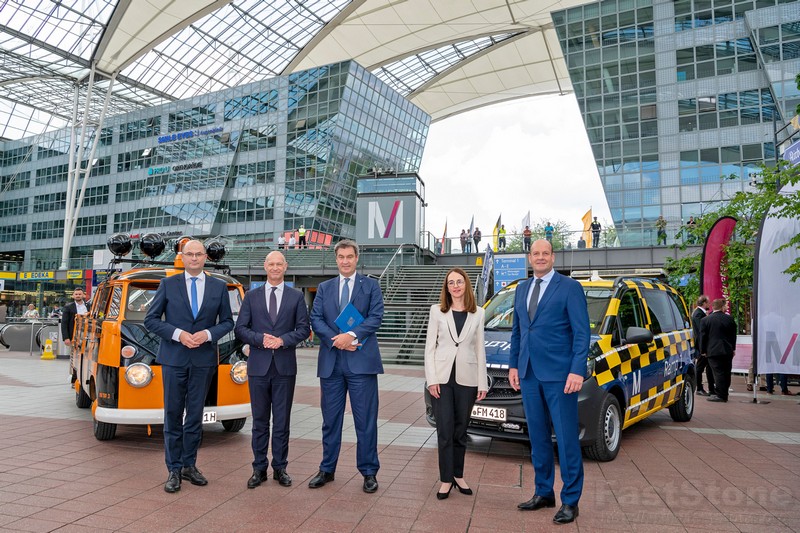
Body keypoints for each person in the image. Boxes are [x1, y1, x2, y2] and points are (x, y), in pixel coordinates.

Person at [508, 239, 589, 525]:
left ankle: (570, 500)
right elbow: (518, 332)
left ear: (553, 257)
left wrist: (577, 370)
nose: (540, 258)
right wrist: (514, 366)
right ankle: (544, 492)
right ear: (529, 258)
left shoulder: (569, 288)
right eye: (535, 254)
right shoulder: (521, 289)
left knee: (566, 439)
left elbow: (582, 334)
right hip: (529, 375)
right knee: (537, 438)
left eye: (545, 253)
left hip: (560, 377)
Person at [144, 239, 234, 493]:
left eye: (198, 254)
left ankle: (189, 465)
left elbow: (227, 322)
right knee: (172, 415)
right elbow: (151, 320)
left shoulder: (219, 287)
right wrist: (178, 334)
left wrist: (207, 334)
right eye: (189, 254)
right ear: (182, 258)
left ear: (206, 257)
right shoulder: (168, 284)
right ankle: (173, 469)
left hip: (203, 360)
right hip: (174, 359)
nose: (194, 258)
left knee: (195, 416)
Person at [309, 239, 384, 494]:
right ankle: (327, 469)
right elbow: (315, 318)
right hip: (331, 364)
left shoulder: (371, 286)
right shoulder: (324, 287)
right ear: (336, 258)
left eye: (349, 256)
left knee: (365, 421)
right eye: (340, 256)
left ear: (356, 258)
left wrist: (351, 336)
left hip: (361, 364)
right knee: (330, 421)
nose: (345, 261)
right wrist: (337, 341)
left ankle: (369, 472)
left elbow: (376, 317)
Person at [235, 251, 310, 489]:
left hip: (285, 368)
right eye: (271, 264)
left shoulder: (296, 296)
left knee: (282, 422)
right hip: (258, 366)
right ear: (265, 266)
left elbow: (303, 329)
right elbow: (241, 329)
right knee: (259, 422)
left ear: (285, 267)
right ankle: (259, 468)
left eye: (279, 264)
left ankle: (280, 468)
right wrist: (260, 339)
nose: (275, 268)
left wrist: (282, 340)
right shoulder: (251, 296)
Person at [424, 268, 487, 500]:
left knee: (461, 431)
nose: (456, 286)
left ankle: (458, 475)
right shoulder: (436, 311)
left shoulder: (478, 313)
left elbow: (479, 349)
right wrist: (431, 380)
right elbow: (429, 347)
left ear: (466, 285)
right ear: (447, 287)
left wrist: (482, 383)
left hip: (467, 379)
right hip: (441, 379)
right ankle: (445, 479)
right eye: (451, 282)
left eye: (459, 281)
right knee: (445, 431)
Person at [699, 298, 737, 403]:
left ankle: (721, 395)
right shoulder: (729, 319)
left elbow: (703, 336)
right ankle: (725, 392)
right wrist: (733, 348)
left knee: (718, 372)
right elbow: (733, 336)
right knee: (726, 371)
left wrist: (703, 350)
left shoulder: (705, 320)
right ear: (722, 307)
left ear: (713, 307)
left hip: (713, 350)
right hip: (727, 350)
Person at [691, 295, 715, 397]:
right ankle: (699, 388)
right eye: (708, 302)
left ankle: (710, 388)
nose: (709, 304)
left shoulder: (701, 313)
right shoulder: (698, 314)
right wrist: (702, 348)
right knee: (700, 367)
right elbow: (701, 332)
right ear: (704, 303)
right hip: (702, 346)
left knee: (707, 367)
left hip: (704, 345)